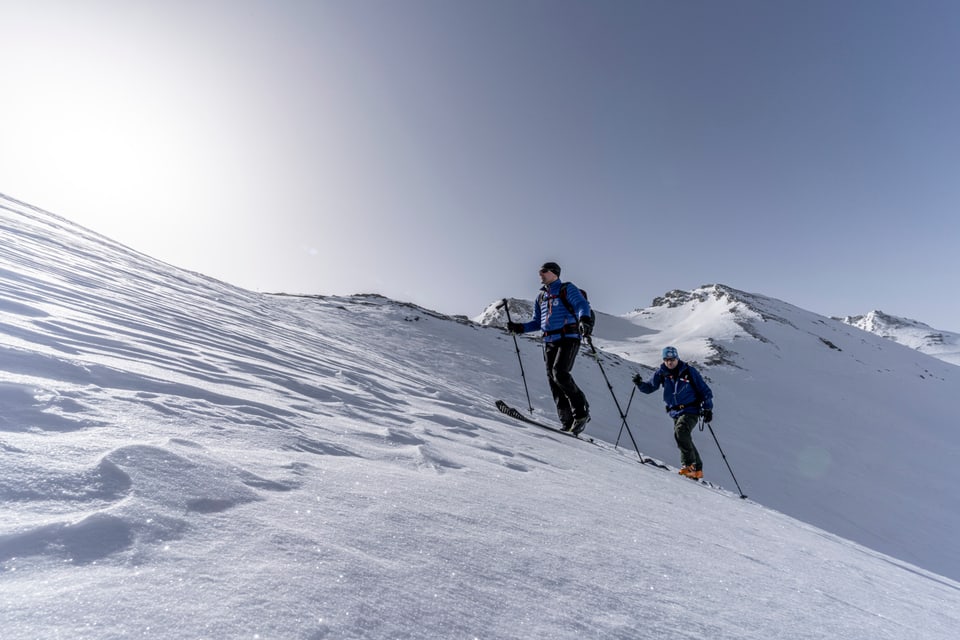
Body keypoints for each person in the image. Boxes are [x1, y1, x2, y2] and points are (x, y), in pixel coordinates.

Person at [507, 262, 593, 434]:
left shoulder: (567, 288)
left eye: (543, 271)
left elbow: (582, 305)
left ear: (554, 273)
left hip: (568, 338)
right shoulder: (541, 297)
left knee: (560, 373)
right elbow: (537, 323)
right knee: (553, 381)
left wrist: (585, 320)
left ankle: (581, 412)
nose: (540, 274)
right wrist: (519, 328)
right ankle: (567, 421)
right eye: (540, 271)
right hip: (549, 341)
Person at [632, 346, 713, 479]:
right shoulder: (662, 373)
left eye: (672, 359)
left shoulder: (689, 371)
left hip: (691, 410)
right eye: (667, 359)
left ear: (677, 358)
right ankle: (697, 470)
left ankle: (689, 467)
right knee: (683, 437)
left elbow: (705, 391)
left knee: (681, 432)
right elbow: (650, 387)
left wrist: (708, 408)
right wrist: (640, 383)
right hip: (675, 412)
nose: (670, 362)